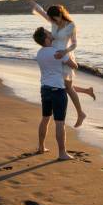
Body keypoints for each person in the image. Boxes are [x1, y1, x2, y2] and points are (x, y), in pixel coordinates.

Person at [22, 0, 95, 128]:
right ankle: (85, 99)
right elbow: (38, 8)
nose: (53, 20)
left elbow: (75, 44)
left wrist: (65, 51)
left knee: (66, 87)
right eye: (51, 18)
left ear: (60, 14)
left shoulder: (71, 25)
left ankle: (80, 113)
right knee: (64, 86)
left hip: (64, 55)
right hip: (54, 55)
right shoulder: (53, 22)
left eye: (54, 17)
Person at [33, 26, 75, 160]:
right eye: (48, 32)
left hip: (45, 89)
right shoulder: (57, 52)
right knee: (59, 122)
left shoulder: (39, 53)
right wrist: (68, 52)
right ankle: (62, 153)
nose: (51, 33)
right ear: (46, 39)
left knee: (45, 119)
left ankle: (41, 147)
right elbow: (74, 66)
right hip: (57, 89)